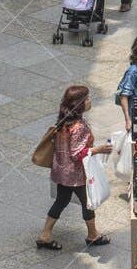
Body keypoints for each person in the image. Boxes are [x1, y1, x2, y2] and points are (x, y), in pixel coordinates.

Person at [35, 85, 114, 250]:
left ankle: (45, 235)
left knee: (61, 200)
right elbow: (77, 153)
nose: (90, 101)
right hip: (76, 174)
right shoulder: (79, 127)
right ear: (80, 104)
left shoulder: (63, 121)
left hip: (61, 171)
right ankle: (93, 235)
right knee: (88, 202)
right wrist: (98, 150)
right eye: (87, 99)